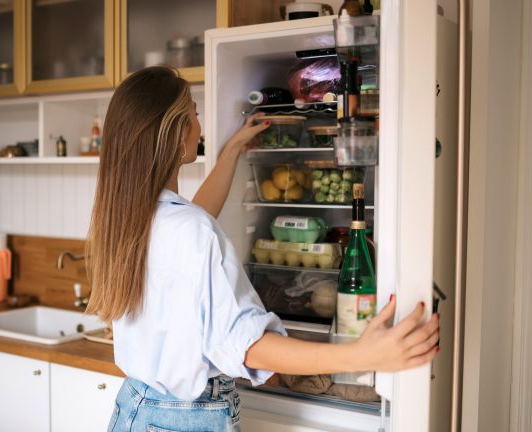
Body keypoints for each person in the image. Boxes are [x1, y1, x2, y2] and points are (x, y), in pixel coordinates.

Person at [85, 66, 439, 432]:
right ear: (175, 132)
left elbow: (193, 229)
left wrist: (234, 149)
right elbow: (246, 346)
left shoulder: (127, 217)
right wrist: (361, 354)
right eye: (194, 112)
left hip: (137, 409)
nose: (198, 123)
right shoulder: (190, 230)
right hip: (183, 420)